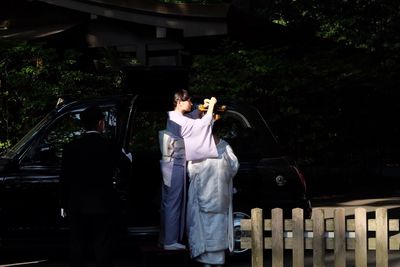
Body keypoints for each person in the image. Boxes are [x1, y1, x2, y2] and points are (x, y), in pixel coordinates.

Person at [60, 105, 120, 267]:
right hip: (103, 203)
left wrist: (64, 203)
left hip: (77, 203)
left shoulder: (71, 147)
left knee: (77, 244)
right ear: (100, 123)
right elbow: (126, 167)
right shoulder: (109, 145)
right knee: (102, 246)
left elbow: (64, 178)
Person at [159, 89, 218, 250]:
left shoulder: (174, 116)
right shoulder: (180, 120)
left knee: (168, 202)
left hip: (170, 163)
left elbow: (191, 117)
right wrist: (211, 105)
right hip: (174, 164)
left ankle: (165, 238)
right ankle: (170, 241)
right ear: (180, 102)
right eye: (189, 101)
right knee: (174, 202)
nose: (191, 104)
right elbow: (202, 124)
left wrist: (200, 108)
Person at [186, 118, 239, 267]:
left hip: (205, 193)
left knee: (204, 225)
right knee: (218, 225)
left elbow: (191, 170)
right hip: (220, 195)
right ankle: (217, 259)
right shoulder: (225, 146)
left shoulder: (199, 148)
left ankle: (207, 260)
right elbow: (234, 167)